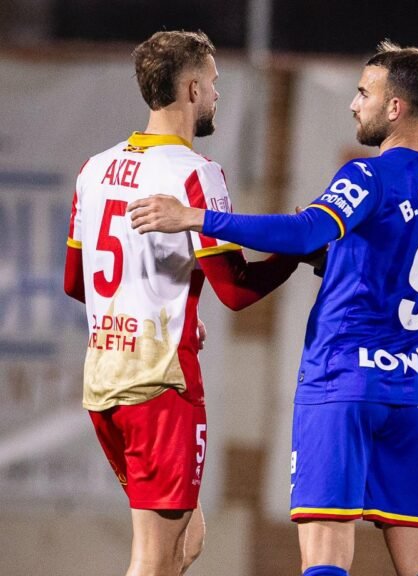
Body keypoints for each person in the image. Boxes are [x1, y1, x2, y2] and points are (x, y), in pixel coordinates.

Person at [129, 41, 418, 576]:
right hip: (413, 391)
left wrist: (195, 217)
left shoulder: (368, 177)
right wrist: (331, 259)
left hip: (342, 382)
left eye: (364, 93)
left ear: (395, 107)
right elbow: (389, 264)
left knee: (326, 559)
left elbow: (306, 229)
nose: (354, 104)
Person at [64, 30, 304, 576]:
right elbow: (236, 291)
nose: (216, 93)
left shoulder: (94, 169)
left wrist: (140, 298)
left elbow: (76, 282)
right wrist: (292, 255)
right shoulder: (197, 174)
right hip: (160, 385)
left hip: (104, 382)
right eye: (213, 82)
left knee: (186, 540)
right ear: (192, 89)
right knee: (152, 557)